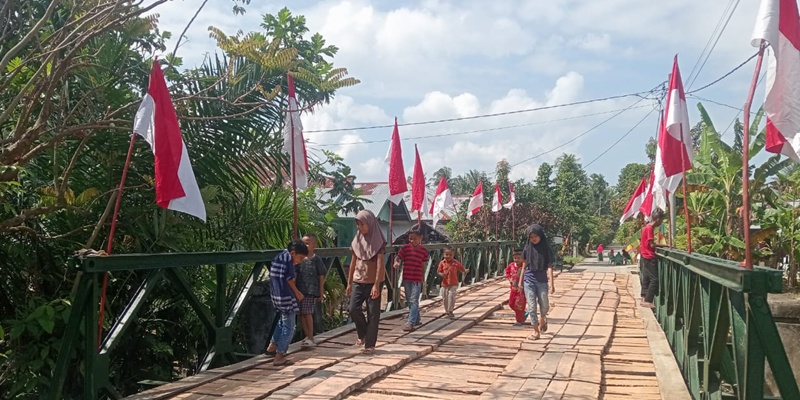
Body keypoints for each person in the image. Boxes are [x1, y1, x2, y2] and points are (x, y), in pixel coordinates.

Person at [348, 210, 386, 354]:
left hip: (373, 282)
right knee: (353, 308)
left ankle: (370, 344)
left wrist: (376, 284)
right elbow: (353, 261)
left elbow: (380, 264)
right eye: (358, 224)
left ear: (369, 223)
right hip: (358, 280)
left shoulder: (378, 241)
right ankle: (362, 334)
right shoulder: (357, 240)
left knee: (373, 313)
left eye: (362, 224)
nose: (360, 227)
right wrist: (349, 282)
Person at [266, 240, 308, 366]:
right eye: (300, 258)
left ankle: (272, 346)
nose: (299, 261)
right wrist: (297, 293)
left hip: (276, 295)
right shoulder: (288, 260)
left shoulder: (279, 256)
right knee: (290, 327)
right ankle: (280, 355)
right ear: (293, 253)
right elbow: (289, 279)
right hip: (285, 296)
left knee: (282, 322)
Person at [518, 224, 555, 341]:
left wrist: (551, 284)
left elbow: (549, 267)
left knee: (545, 305)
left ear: (540, 236)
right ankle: (535, 330)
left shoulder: (546, 249)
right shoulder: (527, 248)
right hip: (529, 280)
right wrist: (520, 282)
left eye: (535, 236)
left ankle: (543, 319)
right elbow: (524, 266)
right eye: (531, 237)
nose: (533, 239)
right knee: (532, 306)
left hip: (542, 281)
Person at [394, 228, 429, 331]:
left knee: (414, 300)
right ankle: (417, 319)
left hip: (417, 279)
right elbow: (398, 257)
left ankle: (411, 322)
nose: (412, 241)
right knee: (410, 300)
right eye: (410, 239)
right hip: (406, 278)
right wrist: (396, 262)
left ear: (420, 238)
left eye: (415, 239)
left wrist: (423, 279)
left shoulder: (423, 251)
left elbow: (423, 266)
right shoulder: (405, 248)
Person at [296, 233, 327, 348]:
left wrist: (321, 291)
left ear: (314, 245)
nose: (306, 246)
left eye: (308, 244)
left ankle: (310, 337)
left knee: (307, 312)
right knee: (302, 313)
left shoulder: (316, 259)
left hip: (311, 290)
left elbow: (321, 275)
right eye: (304, 243)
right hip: (300, 290)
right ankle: (307, 335)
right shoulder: (300, 259)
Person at [640, 211, 665, 308]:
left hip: (644, 255)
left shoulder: (646, 227)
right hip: (649, 256)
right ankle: (648, 300)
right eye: (661, 220)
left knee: (646, 278)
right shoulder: (650, 228)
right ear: (658, 219)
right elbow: (652, 245)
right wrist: (664, 245)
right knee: (654, 280)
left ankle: (643, 297)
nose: (661, 223)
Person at [437, 246, 469, 319]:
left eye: (450, 255)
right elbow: (439, 271)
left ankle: (450, 311)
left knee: (451, 296)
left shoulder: (455, 262)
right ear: (443, 254)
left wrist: (465, 270)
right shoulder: (442, 263)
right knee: (445, 298)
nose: (448, 256)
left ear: (453, 255)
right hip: (445, 284)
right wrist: (441, 274)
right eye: (446, 254)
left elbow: (461, 267)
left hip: (454, 283)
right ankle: (447, 311)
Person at [504, 250, 526, 326]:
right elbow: (507, 272)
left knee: (519, 305)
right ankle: (523, 314)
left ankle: (519, 321)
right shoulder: (511, 265)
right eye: (515, 258)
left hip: (522, 289)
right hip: (513, 288)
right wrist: (509, 278)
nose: (516, 260)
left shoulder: (524, 266)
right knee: (511, 304)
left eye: (518, 258)